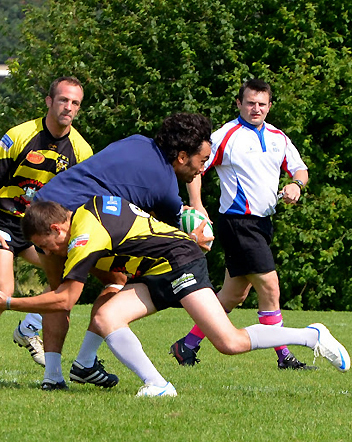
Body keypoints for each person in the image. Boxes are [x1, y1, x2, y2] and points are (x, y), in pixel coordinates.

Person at [0, 196, 351, 397]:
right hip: (160, 268)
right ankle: (158, 384)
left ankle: (311, 335)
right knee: (107, 317)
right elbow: (120, 259)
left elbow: (63, 301)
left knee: (229, 342)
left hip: (180, 262)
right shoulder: (88, 209)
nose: (50, 253)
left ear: (58, 228)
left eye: (47, 245)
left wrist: (6, 303)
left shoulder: (83, 237)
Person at [29, 112, 215, 390]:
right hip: (71, 222)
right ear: (182, 155)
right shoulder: (165, 188)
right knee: (105, 286)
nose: (202, 169)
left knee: (63, 293)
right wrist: (195, 237)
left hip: (43, 211)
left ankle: (54, 376)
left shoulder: (138, 141)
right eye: (201, 161)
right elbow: (169, 234)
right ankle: (83, 361)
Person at [0, 76, 93, 373]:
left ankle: (29, 328)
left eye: (75, 103)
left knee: (72, 280)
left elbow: (82, 200)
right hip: (3, 223)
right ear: (49, 101)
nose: (68, 107)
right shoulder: (21, 135)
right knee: (3, 287)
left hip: (39, 232)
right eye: (63, 100)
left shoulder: (80, 150)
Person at [170, 78, 313, 370]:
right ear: (239, 104)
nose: (255, 108)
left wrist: (296, 184)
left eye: (262, 104)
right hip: (238, 223)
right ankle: (284, 356)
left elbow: (300, 168)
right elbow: (197, 168)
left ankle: (187, 345)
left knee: (234, 294)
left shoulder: (278, 137)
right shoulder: (226, 135)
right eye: (250, 103)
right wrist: (197, 204)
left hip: (262, 224)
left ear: (270, 106)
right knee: (270, 287)